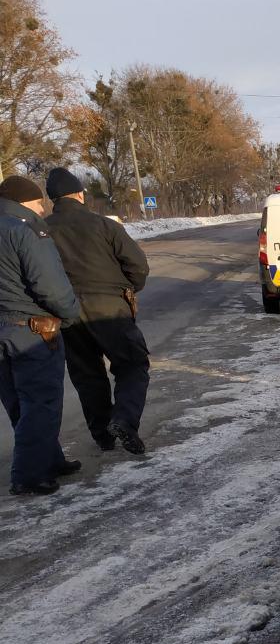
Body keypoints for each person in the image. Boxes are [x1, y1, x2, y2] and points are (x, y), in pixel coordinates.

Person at [44, 167, 151, 454]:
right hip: (110, 306)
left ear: (51, 198)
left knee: (87, 374)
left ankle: (103, 435)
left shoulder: (41, 230)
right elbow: (138, 266)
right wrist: (128, 289)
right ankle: (125, 421)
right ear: (80, 194)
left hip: (66, 311)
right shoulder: (105, 225)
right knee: (132, 365)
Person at [0, 175, 83, 496]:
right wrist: (71, 314)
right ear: (24, 202)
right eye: (38, 202)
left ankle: (49, 459)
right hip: (31, 331)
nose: (42, 207)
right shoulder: (27, 231)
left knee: (19, 401)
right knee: (41, 402)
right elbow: (49, 285)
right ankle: (28, 474)